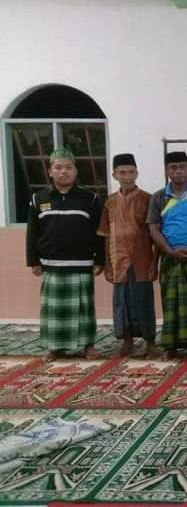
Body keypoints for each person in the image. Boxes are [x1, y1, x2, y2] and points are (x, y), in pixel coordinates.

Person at [26, 149, 104, 361]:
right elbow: (32, 232)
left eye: (68, 167)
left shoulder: (89, 199)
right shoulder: (38, 199)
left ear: (75, 171)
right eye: (58, 167)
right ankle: (55, 347)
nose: (64, 172)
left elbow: (99, 232)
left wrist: (100, 259)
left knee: (83, 309)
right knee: (54, 311)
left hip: (82, 264)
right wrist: (33, 261)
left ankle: (88, 346)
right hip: (51, 265)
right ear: (50, 171)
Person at [147, 151, 187, 359]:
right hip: (169, 257)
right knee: (171, 302)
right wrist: (169, 251)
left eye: (182, 167)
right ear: (167, 171)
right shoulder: (159, 197)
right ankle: (170, 346)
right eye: (173, 167)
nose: (178, 171)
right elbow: (153, 228)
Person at [98, 153, 159, 358]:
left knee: (144, 301)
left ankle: (150, 342)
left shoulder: (148, 199)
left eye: (131, 172)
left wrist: (154, 263)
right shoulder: (110, 202)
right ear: (114, 175)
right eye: (122, 173)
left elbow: (156, 234)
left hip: (142, 260)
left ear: (137, 173)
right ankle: (127, 342)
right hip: (118, 260)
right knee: (122, 303)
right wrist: (107, 264)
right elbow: (106, 235)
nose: (127, 177)